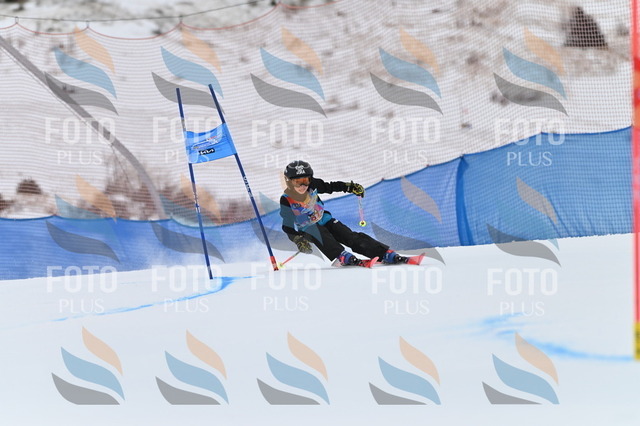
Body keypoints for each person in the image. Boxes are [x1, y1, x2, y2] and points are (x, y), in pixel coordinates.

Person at [279, 160, 408, 266]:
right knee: (318, 232)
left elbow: (331, 186)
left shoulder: (314, 185)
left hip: (324, 219)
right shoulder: (286, 199)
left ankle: (383, 253)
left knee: (348, 235)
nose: (303, 186)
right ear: (289, 182)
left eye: (305, 180)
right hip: (308, 228)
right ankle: (340, 255)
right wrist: (298, 240)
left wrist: (349, 187)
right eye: (297, 182)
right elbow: (287, 225)